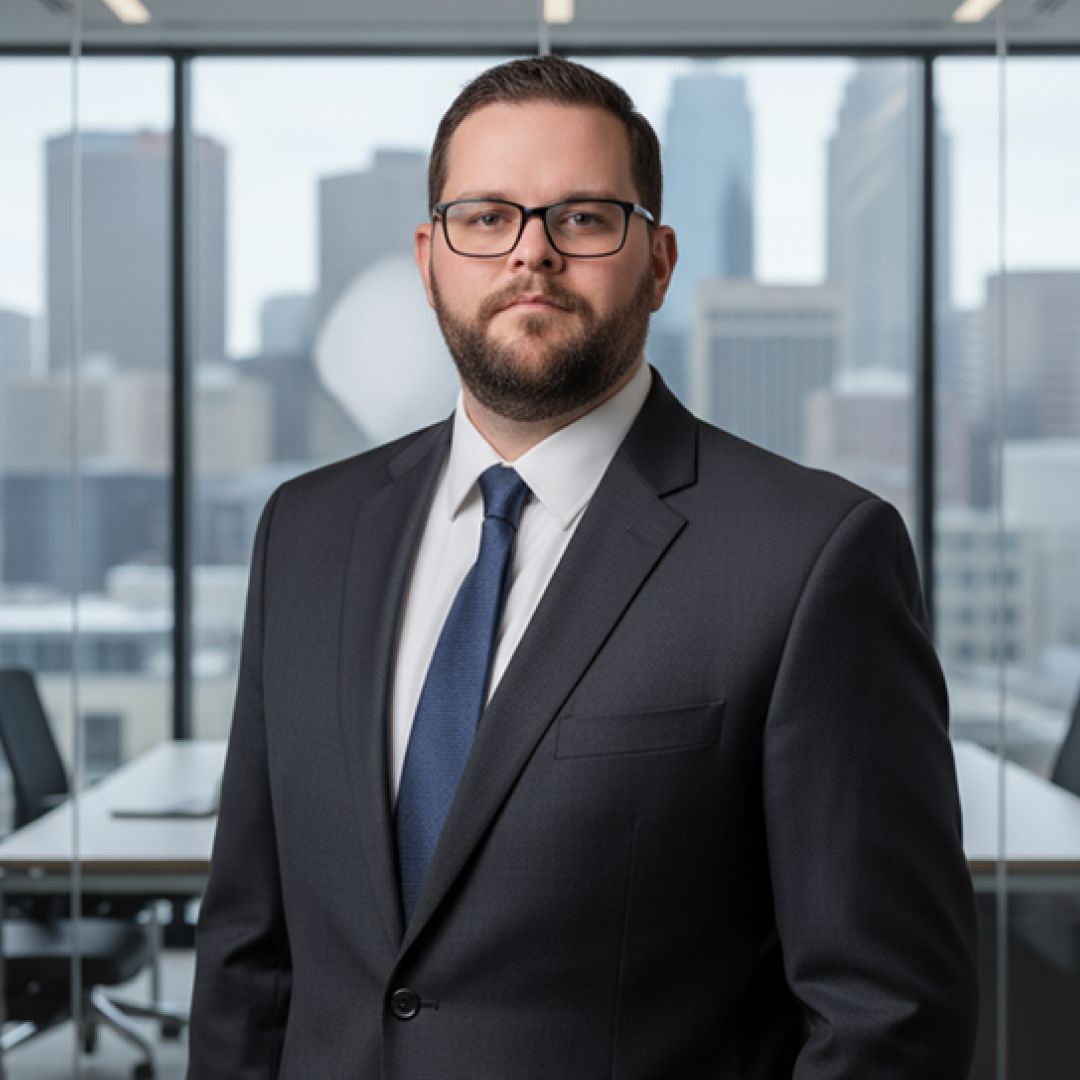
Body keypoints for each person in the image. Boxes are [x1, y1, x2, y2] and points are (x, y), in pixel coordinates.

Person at [188, 56, 978, 1079]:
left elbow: (889, 1015)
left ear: (659, 261)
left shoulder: (809, 557)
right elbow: (248, 957)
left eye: (584, 218)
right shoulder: (305, 533)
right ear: (429, 259)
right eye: (486, 218)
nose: (532, 253)